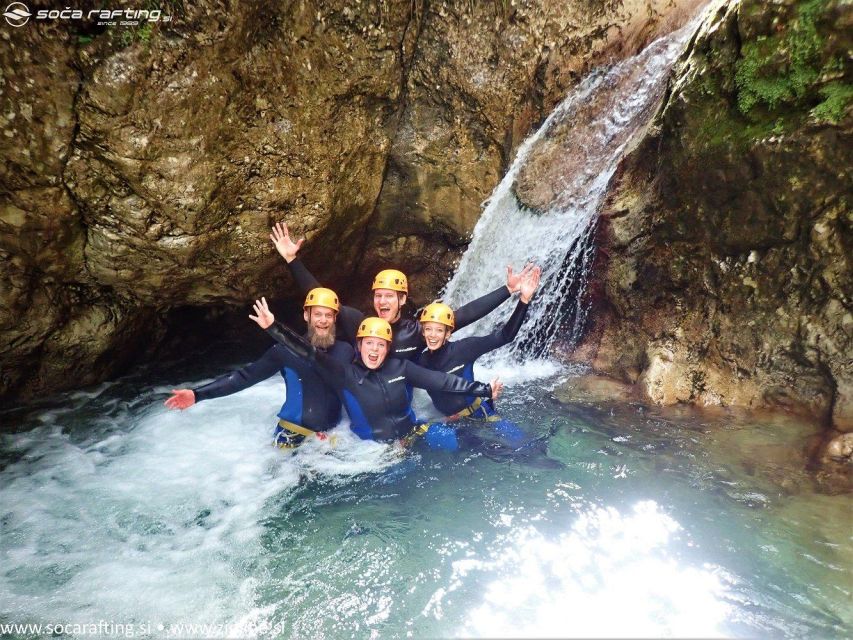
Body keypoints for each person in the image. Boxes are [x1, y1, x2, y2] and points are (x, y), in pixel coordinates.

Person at [249, 298, 504, 444]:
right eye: (368, 344)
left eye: (380, 345)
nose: (374, 350)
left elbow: (441, 381)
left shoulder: (401, 367)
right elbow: (308, 352)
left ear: (387, 348)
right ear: (357, 346)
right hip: (368, 454)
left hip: (409, 437)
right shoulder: (345, 374)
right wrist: (275, 328)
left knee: (452, 443)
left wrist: (483, 389)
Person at [269, 222, 533, 361]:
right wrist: (293, 261)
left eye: (389, 296)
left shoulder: (416, 332)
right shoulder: (358, 323)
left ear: (402, 299)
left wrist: (507, 290)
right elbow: (321, 298)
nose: (382, 301)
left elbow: (463, 315)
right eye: (378, 295)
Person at [164, 288, 354, 449]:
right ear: (307, 315)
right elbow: (244, 377)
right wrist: (197, 395)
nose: (323, 320)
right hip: (292, 435)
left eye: (328, 315)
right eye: (318, 314)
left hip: (332, 436)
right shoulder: (283, 351)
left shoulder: (346, 351)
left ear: (335, 318)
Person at [416, 266, 542, 450]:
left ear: (448, 333)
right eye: (428, 329)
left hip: (480, 413)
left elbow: (505, 336)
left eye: (438, 330)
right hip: (451, 421)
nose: (433, 335)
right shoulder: (420, 362)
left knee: (526, 448)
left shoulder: (464, 349)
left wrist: (524, 300)